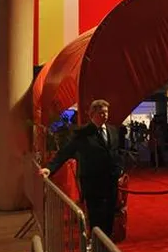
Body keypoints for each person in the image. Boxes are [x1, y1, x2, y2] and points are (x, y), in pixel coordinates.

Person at [40, 99, 124, 241]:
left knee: (109, 216)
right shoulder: (82, 134)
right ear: (92, 114)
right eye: (101, 112)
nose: (105, 115)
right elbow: (65, 152)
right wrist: (49, 168)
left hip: (111, 182)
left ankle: (108, 248)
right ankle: (98, 248)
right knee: (97, 219)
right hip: (93, 184)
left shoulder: (113, 130)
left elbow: (116, 153)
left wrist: (120, 170)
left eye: (106, 112)